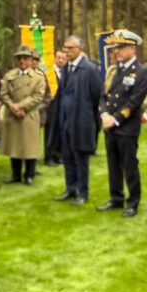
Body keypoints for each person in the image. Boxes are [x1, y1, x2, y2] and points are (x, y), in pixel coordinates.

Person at [95, 29, 147, 217]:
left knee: (129, 165)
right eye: (115, 47)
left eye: (121, 47)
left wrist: (116, 118)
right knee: (113, 164)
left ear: (132, 48)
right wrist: (104, 115)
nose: (116, 51)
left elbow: (135, 101)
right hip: (109, 124)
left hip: (126, 126)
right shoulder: (113, 70)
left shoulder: (142, 72)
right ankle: (116, 197)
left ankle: (133, 202)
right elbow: (104, 95)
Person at [53, 36, 102, 206]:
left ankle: (83, 192)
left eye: (70, 48)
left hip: (81, 121)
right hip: (65, 120)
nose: (66, 51)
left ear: (79, 48)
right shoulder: (66, 68)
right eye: (64, 47)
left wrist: (86, 114)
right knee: (67, 156)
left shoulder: (89, 69)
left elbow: (96, 95)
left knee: (80, 157)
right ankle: (70, 188)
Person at [0, 45, 47, 185]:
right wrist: (12, 106)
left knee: (29, 147)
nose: (22, 61)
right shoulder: (10, 75)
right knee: (14, 146)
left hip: (28, 115)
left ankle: (29, 175)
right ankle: (15, 174)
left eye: (25, 58)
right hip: (12, 114)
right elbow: (4, 93)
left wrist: (20, 107)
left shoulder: (38, 77)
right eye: (19, 58)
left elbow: (38, 96)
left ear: (31, 60)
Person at [43, 50, 67, 166]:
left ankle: (57, 155)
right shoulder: (49, 73)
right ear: (54, 58)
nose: (61, 60)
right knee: (50, 132)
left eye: (63, 58)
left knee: (59, 131)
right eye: (59, 57)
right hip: (51, 106)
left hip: (61, 106)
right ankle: (48, 157)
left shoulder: (64, 72)